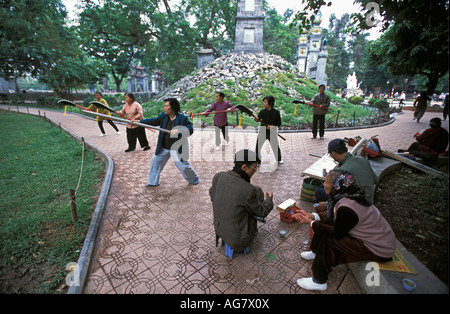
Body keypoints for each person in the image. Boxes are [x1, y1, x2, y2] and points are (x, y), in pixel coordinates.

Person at [293, 170, 396, 291]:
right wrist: (312, 216)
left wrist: (310, 222)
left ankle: (319, 281)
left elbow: (336, 232)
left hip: (378, 248)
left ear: (336, 186)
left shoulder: (347, 207)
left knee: (329, 240)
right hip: (374, 239)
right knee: (323, 225)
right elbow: (334, 218)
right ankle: (315, 252)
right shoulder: (347, 196)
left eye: (326, 181)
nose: (324, 184)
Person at [209, 149, 274, 253]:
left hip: (219, 228)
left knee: (256, 190)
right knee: (256, 194)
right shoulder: (248, 190)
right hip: (238, 238)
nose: (255, 170)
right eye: (255, 167)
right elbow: (262, 212)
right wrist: (269, 199)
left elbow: (212, 194)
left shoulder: (218, 176)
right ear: (244, 167)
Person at [140, 98, 199, 187]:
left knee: (183, 166)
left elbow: (190, 129)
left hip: (177, 147)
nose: (164, 108)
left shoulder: (182, 118)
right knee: (155, 161)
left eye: (166, 106)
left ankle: (194, 178)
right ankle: (153, 182)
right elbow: (154, 121)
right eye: (164, 106)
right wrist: (140, 121)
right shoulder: (164, 116)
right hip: (165, 146)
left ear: (173, 108)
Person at [315, 139, 379, 207]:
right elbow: (376, 180)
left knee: (319, 192)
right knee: (323, 186)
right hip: (369, 199)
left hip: (360, 205)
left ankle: (324, 215)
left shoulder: (343, 171)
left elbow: (339, 197)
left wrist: (324, 204)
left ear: (333, 153)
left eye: (330, 154)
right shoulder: (361, 159)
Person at [254, 96, 284, 164]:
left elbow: (279, 123)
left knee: (275, 146)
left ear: (270, 103)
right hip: (263, 131)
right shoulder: (262, 111)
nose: (264, 103)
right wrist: (256, 119)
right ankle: (257, 161)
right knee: (258, 146)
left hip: (272, 132)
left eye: (265, 102)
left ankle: (279, 159)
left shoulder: (276, 112)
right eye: (264, 102)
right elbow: (258, 119)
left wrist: (272, 126)